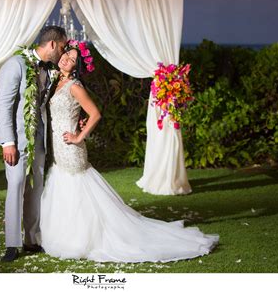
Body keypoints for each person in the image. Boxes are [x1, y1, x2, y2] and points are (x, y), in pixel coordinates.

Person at [39, 42, 219, 263]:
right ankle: (65, 233)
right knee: (64, 186)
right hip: (58, 147)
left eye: (73, 59)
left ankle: (81, 238)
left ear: (76, 67)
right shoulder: (56, 80)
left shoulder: (74, 85)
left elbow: (95, 114)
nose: (67, 58)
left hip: (71, 148)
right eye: (66, 53)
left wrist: (79, 136)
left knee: (76, 188)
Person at [0, 26, 67, 262]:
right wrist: (8, 142)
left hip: (39, 140)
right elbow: (3, 105)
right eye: (62, 47)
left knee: (37, 189)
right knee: (17, 186)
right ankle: (12, 244)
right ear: (52, 45)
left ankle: (32, 239)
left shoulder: (50, 69)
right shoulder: (16, 64)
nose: (62, 52)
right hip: (17, 141)